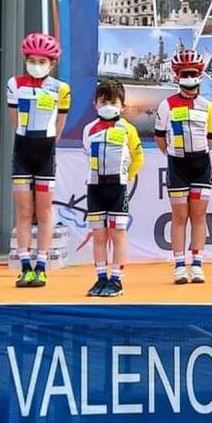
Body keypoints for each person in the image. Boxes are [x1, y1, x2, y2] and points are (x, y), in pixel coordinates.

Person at [8, 32, 70, 288]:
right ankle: (24, 266)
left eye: (42, 61)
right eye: (32, 60)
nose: (36, 64)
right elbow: (15, 121)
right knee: (23, 211)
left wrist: (47, 146)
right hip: (22, 150)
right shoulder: (14, 83)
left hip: (45, 151)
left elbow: (60, 125)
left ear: (52, 63)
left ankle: (42, 265)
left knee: (44, 211)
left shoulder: (61, 88)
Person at [154, 49, 212, 284]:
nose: (188, 77)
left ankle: (198, 264)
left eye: (192, 73)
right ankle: (179, 266)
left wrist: (195, 153)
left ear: (200, 75)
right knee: (179, 216)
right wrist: (174, 155)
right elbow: (160, 138)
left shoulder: (208, 106)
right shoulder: (166, 105)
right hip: (177, 165)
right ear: (176, 75)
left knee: (199, 217)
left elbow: (211, 138)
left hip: (201, 164)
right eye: (184, 73)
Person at [83, 78, 143, 297]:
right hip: (95, 188)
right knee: (99, 235)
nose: (107, 106)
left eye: (113, 103)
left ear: (123, 106)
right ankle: (100, 278)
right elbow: (87, 154)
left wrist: (127, 177)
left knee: (117, 234)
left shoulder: (128, 129)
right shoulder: (88, 129)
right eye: (103, 101)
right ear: (95, 104)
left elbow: (138, 156)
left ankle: (116, 280)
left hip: (117, 189)